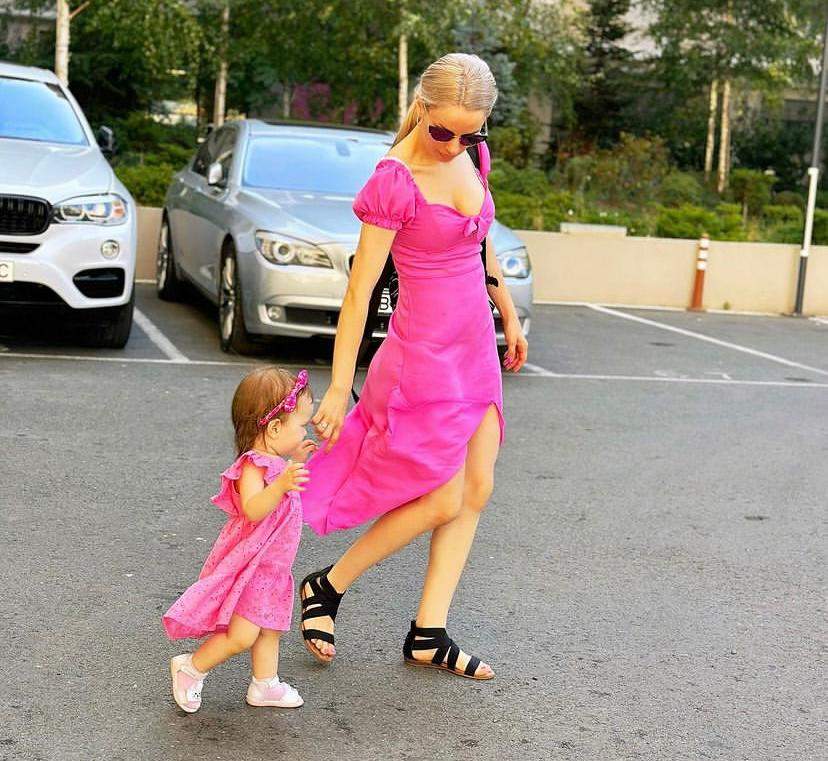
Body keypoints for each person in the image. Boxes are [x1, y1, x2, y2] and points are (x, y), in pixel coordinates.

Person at [299, 53, 529, 681]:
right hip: (423, 356)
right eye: (444, 131)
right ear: (422, 108)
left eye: (471, 134)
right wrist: (338, 386)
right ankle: (327, 586)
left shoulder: (472, 157)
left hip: (474, 346)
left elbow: (480, 242)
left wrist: (507, 312)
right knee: (440, 496)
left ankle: (429, 632)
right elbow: (359, 291)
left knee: (476, 490)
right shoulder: (394, 181)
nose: (455, 145)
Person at [162, 367, 317, 712]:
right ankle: (191, 668)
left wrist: (294, 462)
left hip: (274, 568)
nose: (304, 431)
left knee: (270, 628)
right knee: (242, 634)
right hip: (253, 567)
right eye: (301, 424)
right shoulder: (253, 466)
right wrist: (281, 484)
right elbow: (253, 509)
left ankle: (265, 684)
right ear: (274, 428)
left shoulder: (276, 462)